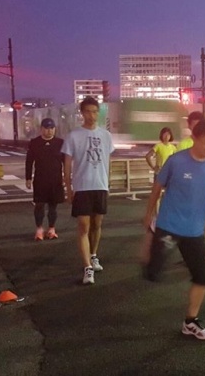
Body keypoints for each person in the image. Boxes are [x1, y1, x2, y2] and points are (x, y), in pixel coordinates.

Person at [142, 119, 205, 340]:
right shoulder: (176, 161)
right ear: (194, 138)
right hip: (169, 225)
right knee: (152, 273)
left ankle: (190, 321)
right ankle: (151, 243)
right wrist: (148, 214)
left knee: (202, 277)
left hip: (194, 231)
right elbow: (157, 187)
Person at [62, 97, 115, 285]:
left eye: (94, 111)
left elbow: (108, 162)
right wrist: (68, 188)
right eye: (87, 111)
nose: (91, 115)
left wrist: (108, 184)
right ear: (82, 113)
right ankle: (87, 268)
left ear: (98, 113)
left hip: (100, 185)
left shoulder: (106, 135)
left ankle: (93, 255)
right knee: (84, 226)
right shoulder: (73, 136)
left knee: (97, 224)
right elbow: (67, 165)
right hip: (82, 186)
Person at [25, 118, 65, 241]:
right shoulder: (34, 142)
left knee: (53, 206)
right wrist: (28, 178)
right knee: (39, 205)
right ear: (41, 129)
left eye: (52, 128)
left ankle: (52, 228)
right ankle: (39, 229)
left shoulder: (60, 143)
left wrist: (66, 177)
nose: (49, 131)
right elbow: (29, 161)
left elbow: (66, 161)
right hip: (40, 179)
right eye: (46, 128)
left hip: (56, 180)